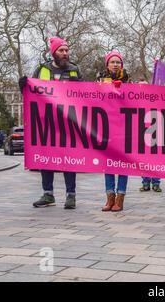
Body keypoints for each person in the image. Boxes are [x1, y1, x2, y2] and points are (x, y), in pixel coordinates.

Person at [19, 36, 83, 209]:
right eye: (61, 50)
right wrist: (23, 86)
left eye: (67, 50)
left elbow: (85, 97)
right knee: (46, 157)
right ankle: (48, 194)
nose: (65, 53)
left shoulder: (74, 70)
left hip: (68, 123)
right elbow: (30, 94)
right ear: (53, 52)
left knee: (69, 158)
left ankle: (71, 195)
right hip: (46, 122)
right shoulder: (41, 70)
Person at [97, 50, 130, 212]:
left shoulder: (128, 80)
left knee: (123, 164)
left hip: (124, 127)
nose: (116, 64)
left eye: (118, 62)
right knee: (108, 164)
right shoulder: (100, 79)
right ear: (107, 64)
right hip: (106, 127)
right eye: (113, 62)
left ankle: (120, 198)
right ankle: (109, 197)